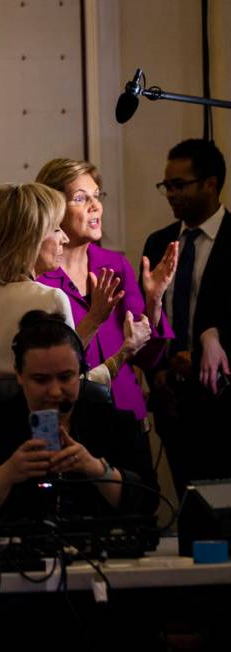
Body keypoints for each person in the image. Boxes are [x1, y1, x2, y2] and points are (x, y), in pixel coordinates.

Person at [0, 310, 159, 522]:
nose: (55, 391)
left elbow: (150, 502)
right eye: (40, 380)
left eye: (66, 377)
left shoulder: (115, 423)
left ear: (81, 371)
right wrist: (7, 474)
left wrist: (97, 469)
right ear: (19, 374)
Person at [0, 183, 150, 386]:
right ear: (28, 239)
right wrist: (125, 352)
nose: (64, 238)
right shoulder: (50, 298)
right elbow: (70, 384)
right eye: (56, 229)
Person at [36, 158, 177, 422]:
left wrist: (154, 301)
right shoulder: (38, 278)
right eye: (80, 198)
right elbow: (42, 367)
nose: (95, 206)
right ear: (53, 208)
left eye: (97, 196)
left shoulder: (115, 265)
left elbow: (147, 357)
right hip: (69, 420)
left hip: (125, 413)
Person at [143, 138, 231, 493]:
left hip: (223, 403)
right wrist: (158, 372)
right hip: (173, 403)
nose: (170, 193)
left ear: (210, 184)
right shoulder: (158, 243)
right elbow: (144, 318)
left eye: (179, 185)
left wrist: (206, 347)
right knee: (189, 514)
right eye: (166, 185)